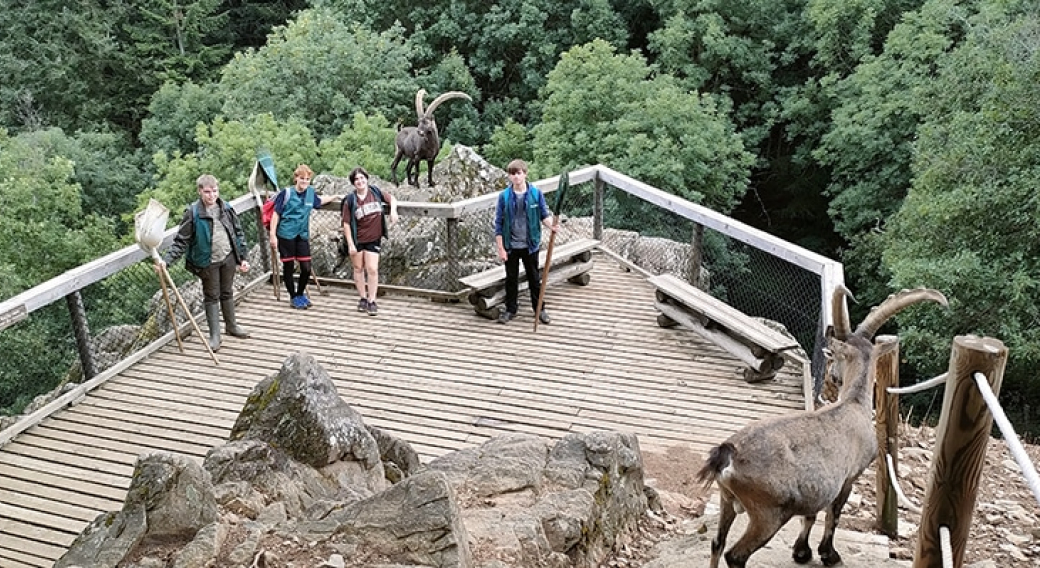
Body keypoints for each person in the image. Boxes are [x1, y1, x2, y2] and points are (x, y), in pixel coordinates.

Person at [155, 174, 251, 351]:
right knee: (211, 295)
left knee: (227, 291)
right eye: (207, 192)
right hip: (207, 261)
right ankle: (215, 336)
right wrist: (166, 262)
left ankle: (231, 326)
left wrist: (243, 257)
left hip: (228, 256)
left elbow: (238, 233)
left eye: (214, 191)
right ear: (200, 192)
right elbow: (181, 241)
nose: (211, 195)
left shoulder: (226, 208)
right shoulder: (192, 213)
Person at [493, 159, 557, 325]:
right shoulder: (504, 197)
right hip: (511, 246)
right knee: (511, 279)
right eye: (512, 174)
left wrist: (552, 226)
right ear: (509, 176)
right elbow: (498, 224)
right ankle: (510, 310)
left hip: (530, 245)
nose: (515, 177)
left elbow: (544, 215)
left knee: (534, 278)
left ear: (525, 174)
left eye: (518, 173)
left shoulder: (536, 194)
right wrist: (501, 248)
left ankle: (539, 309)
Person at [269, 164, 336, 309]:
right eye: (302, 179)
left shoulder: (310, 193)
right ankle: (293, 297)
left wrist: (334, 197)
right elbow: (276, 214)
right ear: (296, 179)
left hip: (302, 234)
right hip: (286, 234)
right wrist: (272, 235)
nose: (305, 182)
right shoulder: (286, 193)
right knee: (289, 266)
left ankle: (300, 293)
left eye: (307, 179)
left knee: (306, 267)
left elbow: (319, 201)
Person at [341, 167, 398, 315]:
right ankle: (362, 298)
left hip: (374, 238)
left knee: (372, 269)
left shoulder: (375, 192)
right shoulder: (350, 200)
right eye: (356, 179)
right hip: (357, 239)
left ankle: (372, 300)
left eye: (362, 178)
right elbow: (346, 223)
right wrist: (351, 244)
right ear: (353, 183)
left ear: (366, 179)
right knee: (358, 268)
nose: (360, 181)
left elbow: (391, 198)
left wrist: (393, 211)